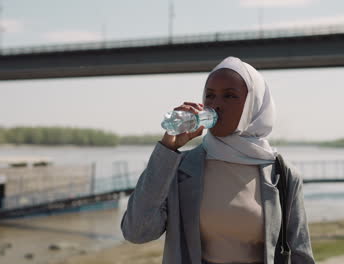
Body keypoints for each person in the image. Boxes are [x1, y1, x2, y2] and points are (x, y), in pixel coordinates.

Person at [121, 56, 315, 264]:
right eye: (210, 96)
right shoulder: (180, 168)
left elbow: (300, 256)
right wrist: (168, 148)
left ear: (253, 105)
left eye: (229, 96)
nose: (216, 105)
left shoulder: (282, 175)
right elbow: (137, 231)